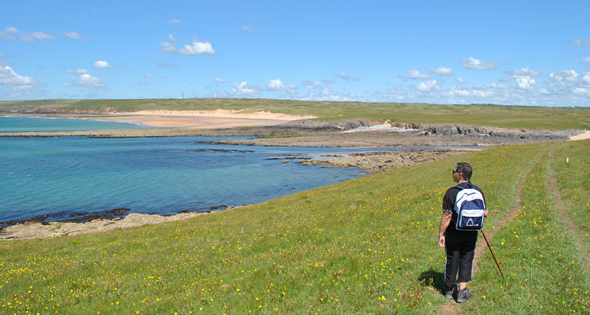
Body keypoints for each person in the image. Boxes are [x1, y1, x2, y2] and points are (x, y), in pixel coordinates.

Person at [438, 162, 488, 303]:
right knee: (467, 259)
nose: (452, 173)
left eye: (453, 171)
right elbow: (486, 213)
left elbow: (447, 216)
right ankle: (462, 292)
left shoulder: (451, 192)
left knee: (453, 257)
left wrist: (441, 234)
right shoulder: (477, 191)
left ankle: (448, 288)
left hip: (454, 233)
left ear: (460, 174)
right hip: (471, 232)